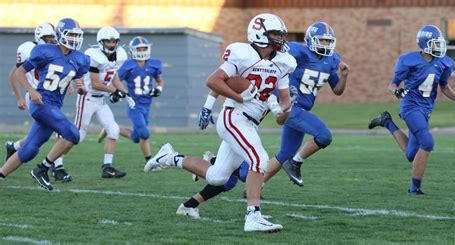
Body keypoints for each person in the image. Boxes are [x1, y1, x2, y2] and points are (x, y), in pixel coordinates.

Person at [145, 13, 296, 232]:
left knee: (217, 177)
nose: (280, 38)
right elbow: (213, 80)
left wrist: (284, 109)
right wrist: (236, 98)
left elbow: (283, 111)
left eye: (281, 34)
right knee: (259, 159)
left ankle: (169, 157)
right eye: (275, 34)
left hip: (251, 123)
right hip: (234, 117)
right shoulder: (241, 53)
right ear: (259, 34)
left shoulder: (284, 62)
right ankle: (253, 216)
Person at [199, 22, 350, 188]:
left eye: (328, 41)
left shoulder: (333, 59)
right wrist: (209, 103)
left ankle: (232, 169)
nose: (326, 45)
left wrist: (343, 76)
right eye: (322, 40)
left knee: (284, 155)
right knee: (324, 135)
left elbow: (337, 90)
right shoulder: (296, 51)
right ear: (310, 39)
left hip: (300, 108)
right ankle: (295, 163)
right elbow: (243, 69)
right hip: (288, 106)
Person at [368, 25, 455, 195]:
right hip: (410, 106)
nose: (439, 47)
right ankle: (414, 188)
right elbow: (392, 84)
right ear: (424, 44)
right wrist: (397, 91)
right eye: (435, 43)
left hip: (426, 110)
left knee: (411, 155)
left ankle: (386, 121)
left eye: (440, 43)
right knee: (428, 142)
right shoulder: (409, 60)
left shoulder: (444, 63)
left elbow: (444, 87)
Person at [0, 18, 90, 191]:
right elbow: (19, 72)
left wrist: (80, 89)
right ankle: (42, 169)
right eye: (70, 34)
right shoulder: (44, 51)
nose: (74, 39)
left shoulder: (80, 59)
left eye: (76, 35)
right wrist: (31, 91)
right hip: (40, 103)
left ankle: (1, 175)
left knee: (29, 150)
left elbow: (76, 81)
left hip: (54, 106)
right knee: (73, 134)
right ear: (61, 34)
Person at [56, 26, 131, 178]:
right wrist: (115, 92)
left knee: (113, 129)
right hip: (88, 98)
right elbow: (95, 83)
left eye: (113, 41)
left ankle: (107, 167)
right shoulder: (94, 56)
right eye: (108, 41)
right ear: (101, 42)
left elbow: (114, 76)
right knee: (78, 135)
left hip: (101, 100)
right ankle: (56, 164)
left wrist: (125, 92)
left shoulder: (120, 55)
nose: (111, 44)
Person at [5, 22, 73, 182]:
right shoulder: (28, 48)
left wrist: (69, 83)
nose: (50, 40)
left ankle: (14, 147)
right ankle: (57, 168)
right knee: (60, 128)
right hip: (36, 96)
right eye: (46, 37)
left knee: (41, 134)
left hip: (51, 97)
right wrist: (20, 97)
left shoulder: (56, 51)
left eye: (52, 37)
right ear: (38, 37)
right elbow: (14, 73)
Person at [117, 36, 164, 163]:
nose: (142, 51)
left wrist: (159, 88)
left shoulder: (154, 65)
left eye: (144, 48)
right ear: (133, 50)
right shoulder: (128, 65)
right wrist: (123, 92)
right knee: (145, 133)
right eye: (139, 49)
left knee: (136, 137)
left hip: (147, 104)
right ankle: (149, 161)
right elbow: (116, 80)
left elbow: (159, 80)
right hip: (134, 104)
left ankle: (112, 129)